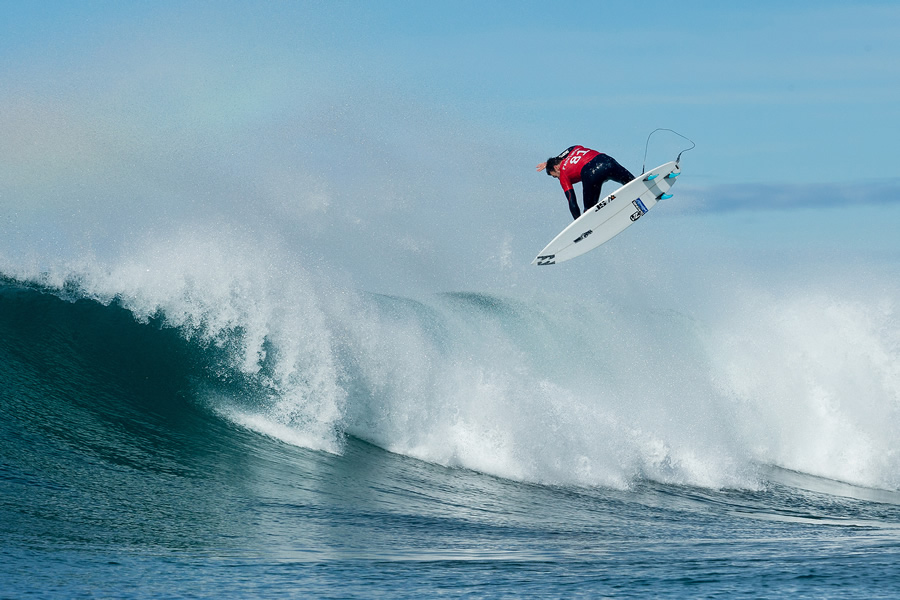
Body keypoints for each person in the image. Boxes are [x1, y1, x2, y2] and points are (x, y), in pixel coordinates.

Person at [536, 146, 635, 220]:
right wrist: (551, 162)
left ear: (556, 167)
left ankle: (588, 220)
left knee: (589, 211)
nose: (557, 178)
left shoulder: (563, 174)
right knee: (631, 182)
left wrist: (578, 221)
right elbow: (570, 148)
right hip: (607, 161)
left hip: (591, 172)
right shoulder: (576, 149)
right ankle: (641, 183)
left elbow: (572, 201)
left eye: (555, 176)